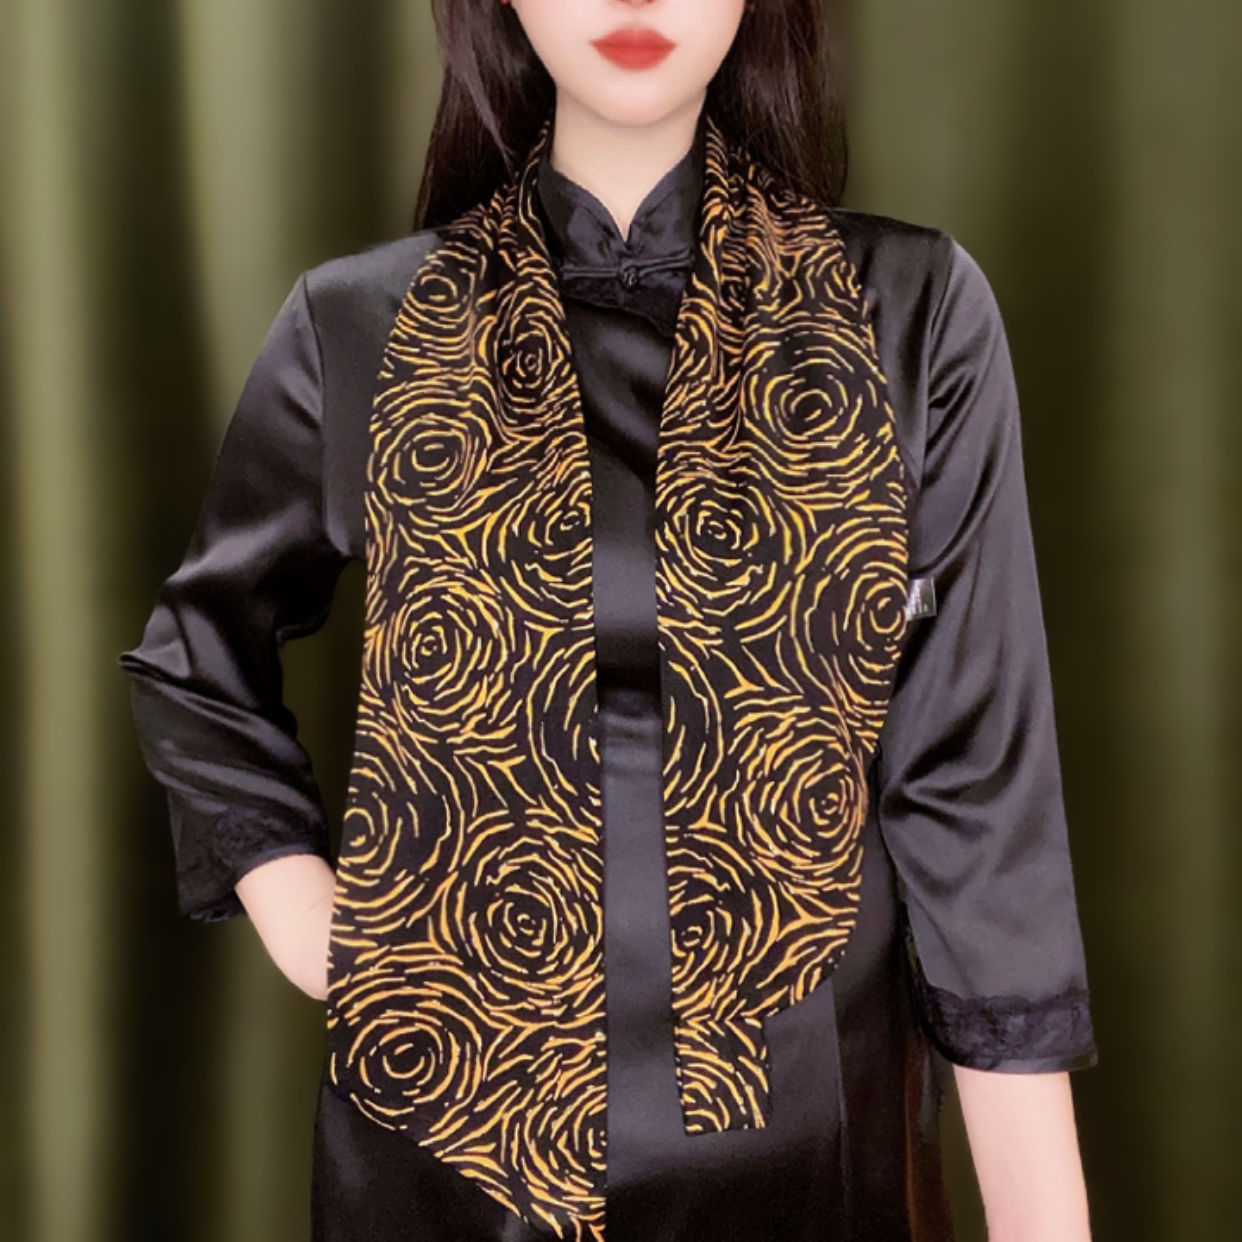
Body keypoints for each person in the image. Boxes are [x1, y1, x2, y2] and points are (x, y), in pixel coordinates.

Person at [117, 2, 1099, 1240]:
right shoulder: (362, 325)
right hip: (455, 1161)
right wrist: (319, 923)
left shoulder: (908, 314)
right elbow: (197, 660)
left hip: (815, 1156)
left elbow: (974, 799)